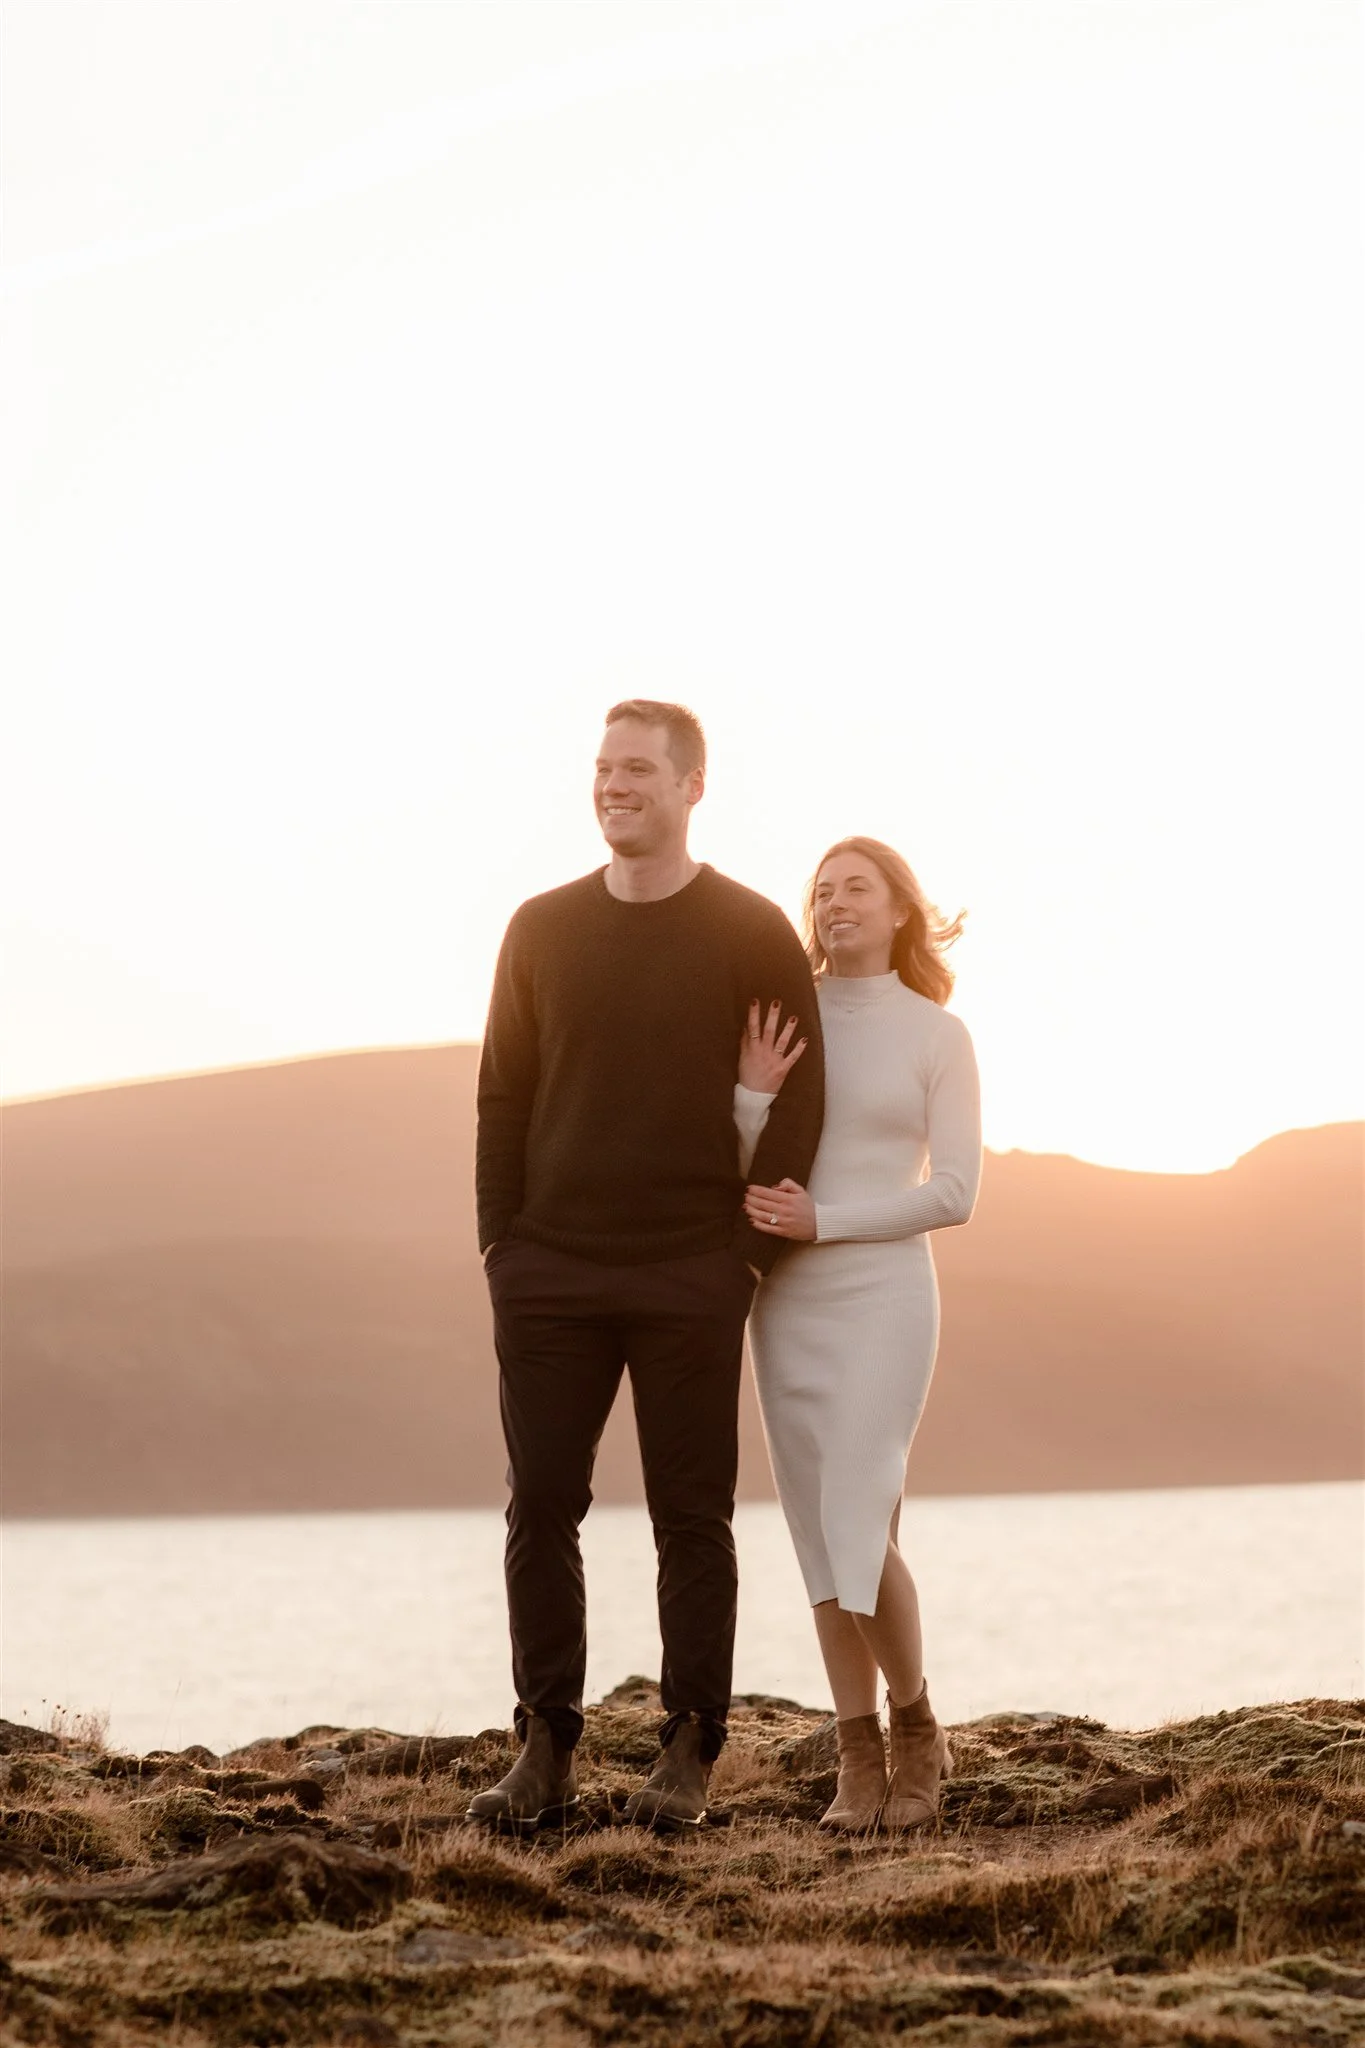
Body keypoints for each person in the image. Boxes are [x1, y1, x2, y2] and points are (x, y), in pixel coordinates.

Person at [467, 700, 824, 1834]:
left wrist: (745, 1255)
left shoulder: (753, 929)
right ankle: (544, 1742)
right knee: (541, 1510)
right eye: (603, 767)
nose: (615, 784)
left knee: (692, 1515)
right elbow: (503, 1095)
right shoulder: (538, 928)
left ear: (692, 785)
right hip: (552, 1272)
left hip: (690, 1270)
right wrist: (502, 1246)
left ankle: (689, 1744)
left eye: (639, 768)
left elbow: (800, 1097)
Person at [734, 836, 981, 1832]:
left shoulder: (937, 1034)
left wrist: (825, 1220)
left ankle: (917, 1723)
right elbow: (737, 1160)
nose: (836, 902)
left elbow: (955, 1191)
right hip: (785, 1302)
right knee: (819, 1544)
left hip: (883, 1293)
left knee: (856, 1516)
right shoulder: (781, 1013)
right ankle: (856, 1753)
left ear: (897, 912)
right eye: (823, 889)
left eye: (857, 887)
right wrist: (750, 1090)